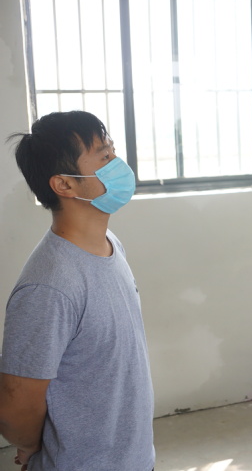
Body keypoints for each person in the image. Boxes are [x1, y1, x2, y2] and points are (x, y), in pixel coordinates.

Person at [0, 111, 155, 471]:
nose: (117, 164)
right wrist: (31, 446)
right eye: (104, 156)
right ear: (64, 185)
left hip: (134, 459)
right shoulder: (49, 286)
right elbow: (15, 406)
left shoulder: (109, 243)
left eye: (112, 151)